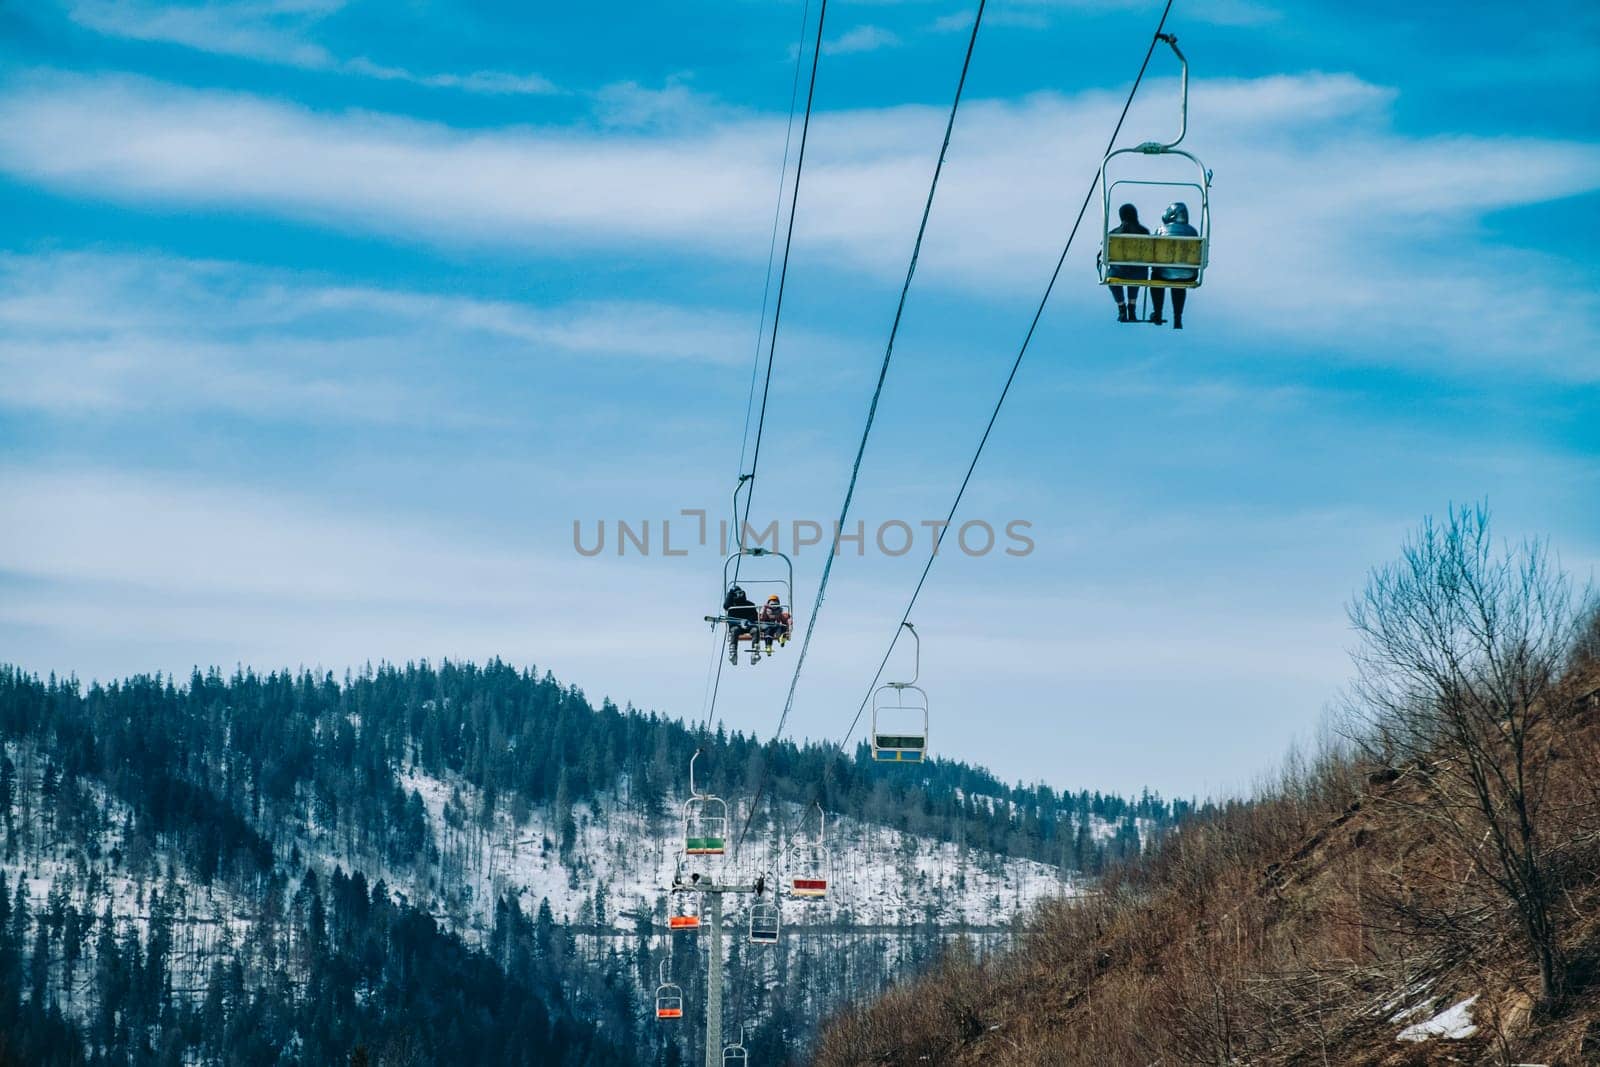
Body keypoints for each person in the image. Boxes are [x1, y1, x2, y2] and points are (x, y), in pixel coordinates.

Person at [1149, 202, 1198, 329]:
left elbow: (1152, 252)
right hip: (1188, 275)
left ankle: (1158, 313)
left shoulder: (1160, 230)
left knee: (1157, 276)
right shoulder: (1193, 231)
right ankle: (1178, 317)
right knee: (1179, 280)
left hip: (1164, 274)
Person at [1101, 203, 1150, 323]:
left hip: (1119, 273)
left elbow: (1104, 253)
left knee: (1113, 275)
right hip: (1138, 274)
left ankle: (1121, 307)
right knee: (1136, 270)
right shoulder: (1144, 232)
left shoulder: (1113, 234)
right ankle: (1132, 307)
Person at [724, 585, 758, 662]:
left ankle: (755, 653)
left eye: (740, 593)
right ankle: (733, 653)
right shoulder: (731, 605)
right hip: (736, 627)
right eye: (737, 593)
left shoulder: (750, 605)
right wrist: (730, 593)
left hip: (748, 626)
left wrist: (748, 621)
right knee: (734, 630)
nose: (739, 595)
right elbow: (725, 606)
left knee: (755, 630)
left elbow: (754, 616)